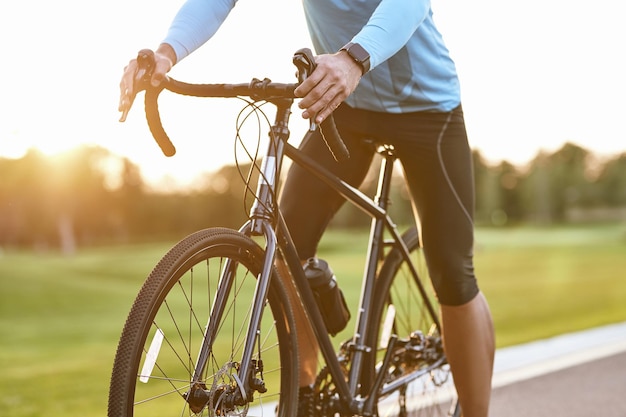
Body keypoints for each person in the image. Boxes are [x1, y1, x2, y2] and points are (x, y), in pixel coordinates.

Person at [119, 1, 495, 416]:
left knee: (452, 272)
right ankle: (306, 394)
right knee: (288, 247)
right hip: (346, 107)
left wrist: (354, 57)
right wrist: (167, 52)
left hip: (426, 109)